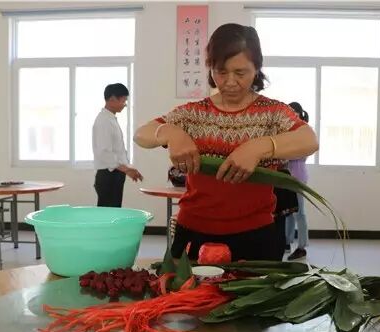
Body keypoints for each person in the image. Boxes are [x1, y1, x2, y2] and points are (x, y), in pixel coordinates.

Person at [134, 23, 318, 261]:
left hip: (255, 236)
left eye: (240, 73)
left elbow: (309, 139)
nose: (230, 82)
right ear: (210, 68)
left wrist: (260, 147)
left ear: (257, 69)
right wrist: (170, 132)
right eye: (221, 72)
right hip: (194, 231)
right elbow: (141, 134)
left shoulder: (272, 113)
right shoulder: (194, 114)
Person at [92, 83, 143, 207]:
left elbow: (118, 151)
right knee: (108, 215)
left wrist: (128, 168)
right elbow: (104, 153)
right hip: (108, 176)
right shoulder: (104, 121)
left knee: (114, 212)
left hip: (115, 174)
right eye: (123, 100)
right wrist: (127, 169)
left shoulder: (110, 119)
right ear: (112, 99)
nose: (125, 104)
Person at [285, 102, 310, 261]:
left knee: (299, 213)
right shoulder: (287, 131)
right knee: (287, 212)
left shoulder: (304, 131)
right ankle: (286, 242)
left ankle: (302, 247)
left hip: (298, 176)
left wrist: (285, 153)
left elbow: (302, 152)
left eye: (293, 113)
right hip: (285, 176)